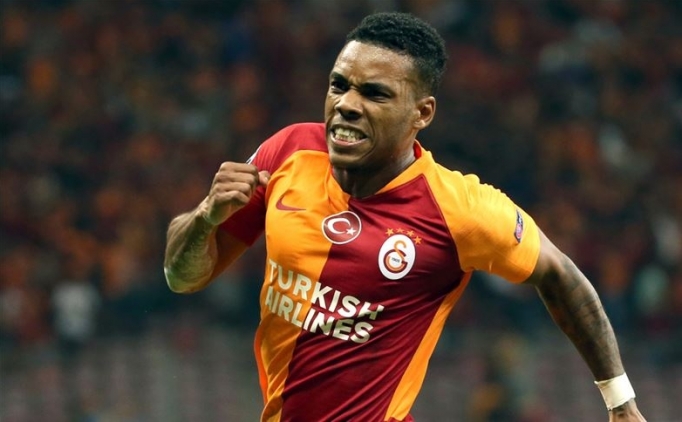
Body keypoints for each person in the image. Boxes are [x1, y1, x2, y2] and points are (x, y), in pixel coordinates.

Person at [163, 12, 647, 422]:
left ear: (423, 113)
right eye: (339, 85)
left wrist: (621, 403)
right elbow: (181, 277)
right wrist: (205, 217)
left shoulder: (459, 209)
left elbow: (561, 275)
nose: (347, 105)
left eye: (375, 94)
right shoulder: (289, 150)